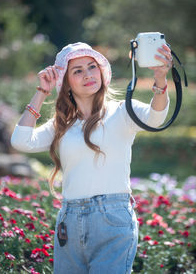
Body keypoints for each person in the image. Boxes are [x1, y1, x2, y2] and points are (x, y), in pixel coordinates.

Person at [11, 42, 172, 274]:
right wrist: (41, 92)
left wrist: (160, 78)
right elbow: (20, 141)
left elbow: (156, 118)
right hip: (69, 220)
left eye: (92, 67)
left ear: (102, 72)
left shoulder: (122, 111)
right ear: (65, 81)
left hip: (113, 219)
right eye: (77, 71)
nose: (88, 74)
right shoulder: (62, 124)